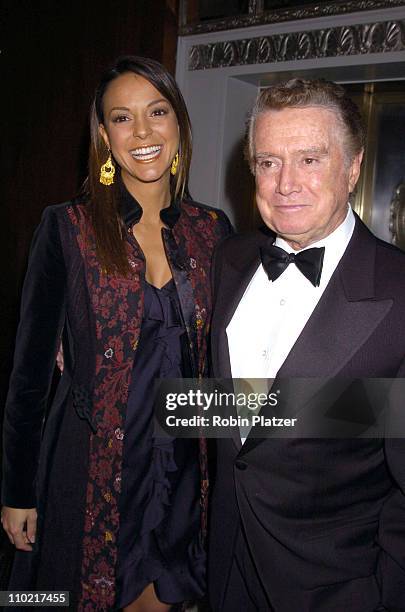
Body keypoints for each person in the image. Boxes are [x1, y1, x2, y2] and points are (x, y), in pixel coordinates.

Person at [1, 55, 231, 611]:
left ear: (179, 123)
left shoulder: (213, 232)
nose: (144, 131)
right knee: (60, 598)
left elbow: (227, 363)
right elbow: (30, 377)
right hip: (90, 468)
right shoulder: (67, 228)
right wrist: (17, 492)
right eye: (123, 118)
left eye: (157, 112)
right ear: (104, 136)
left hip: (183, 467)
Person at [208, 79, 405, 611]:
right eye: (268, 162)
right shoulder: (228, 263)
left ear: (354, 167)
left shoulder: (399, 296)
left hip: (337, 589)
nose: (285, 184)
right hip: (225, 571)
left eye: (310, 159)